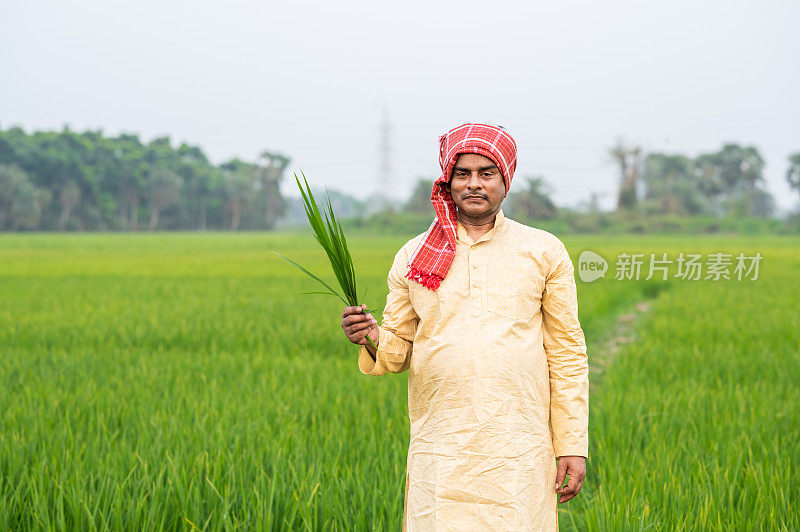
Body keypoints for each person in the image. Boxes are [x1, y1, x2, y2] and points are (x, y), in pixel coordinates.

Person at [341, 123, 588, 531]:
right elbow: (397, 350)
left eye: (486, 173)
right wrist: (368, 333)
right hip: (441, 446)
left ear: (505, 180)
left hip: (518, 445)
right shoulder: (414, 256)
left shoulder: (544, 251)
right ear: (448, 181)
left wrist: (572, 445)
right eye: (463, 173)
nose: (474, 184)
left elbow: (566, 353)